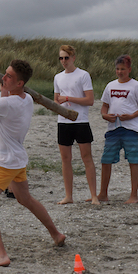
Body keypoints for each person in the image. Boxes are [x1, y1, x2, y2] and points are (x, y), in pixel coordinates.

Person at [0, 60, 66, 267]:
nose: (3, 78)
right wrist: (5, 89)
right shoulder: (27, 99)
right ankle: (56, 234)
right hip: (17, 159)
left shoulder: (7, 104)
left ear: (20, 83)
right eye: (5, 73)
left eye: (9, 76)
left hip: (5, 162)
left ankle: (0, 255)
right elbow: (6, 98)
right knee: (25, 199)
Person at [99, 55, 138, 204]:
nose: (120, 72)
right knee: (106, 159)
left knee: (133, 160)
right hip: (113, 128)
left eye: (123, 69)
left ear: (129, 69)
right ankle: (103, 193)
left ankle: (134, 195)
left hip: (131, 129)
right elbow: (104, 106)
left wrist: (132, 116)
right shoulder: (110, 86)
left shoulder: (136, 86)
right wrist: (104, 115)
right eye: (117, 69)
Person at [53, 45, 99, 205]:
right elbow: (56, 100)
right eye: (61, 58)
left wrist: (68, 98)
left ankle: (94, 196)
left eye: (66, 58)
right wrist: (58, 104)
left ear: (73, 58)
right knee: (65, 159)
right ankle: (68, 196)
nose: (63, 61)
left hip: (80, 121)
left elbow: (90, 100)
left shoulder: (83, 75)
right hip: (63, 122)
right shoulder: (58, 77)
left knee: (86, 158)